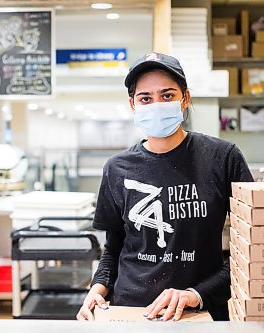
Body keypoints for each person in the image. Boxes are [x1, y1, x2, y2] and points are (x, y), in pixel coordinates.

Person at [76, 52, 253, 322]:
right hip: (130, 311)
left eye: (167, 95)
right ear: (133, 104)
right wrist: (96, 290)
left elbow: (251, 249)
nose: (156, 104)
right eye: (146, 98)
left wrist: (196, 293)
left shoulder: (222, 158)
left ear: (186, 98)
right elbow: (113, 249)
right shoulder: (116, 168)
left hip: (198, 311)